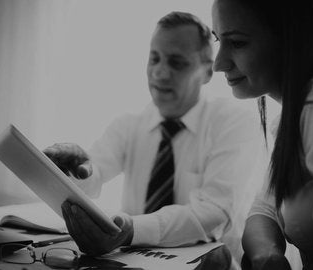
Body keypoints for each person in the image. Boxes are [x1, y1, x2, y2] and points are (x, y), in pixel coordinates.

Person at [44, 11, 265, 267]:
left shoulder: (234, 123)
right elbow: (94, 174)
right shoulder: (129, 124)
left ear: (207, 71)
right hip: (133, 264)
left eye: (176, 62)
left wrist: (130, 229)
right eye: (154, 59)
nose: (160, 73)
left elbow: (213, 212)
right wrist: (75, 171)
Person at [211, 0, 313, 269]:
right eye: (217, 40)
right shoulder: (287, 120)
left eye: (238, 43)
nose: (218, 64)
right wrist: (267, 255)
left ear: (291, 40)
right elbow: (264, 207)